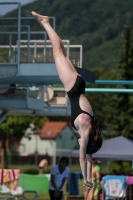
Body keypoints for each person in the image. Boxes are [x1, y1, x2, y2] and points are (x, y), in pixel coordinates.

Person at [31, 11, 102, 190]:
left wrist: (89, 170)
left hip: (79, 84)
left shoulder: (90, 127)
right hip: (72, 86)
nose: (81, 146)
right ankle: (46, 23)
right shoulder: (85, 132)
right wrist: (86, 180)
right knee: (56, 52)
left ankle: (47, 24)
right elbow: (82, 158)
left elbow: (89, 157)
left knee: (60, 50)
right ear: (88, 142)